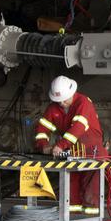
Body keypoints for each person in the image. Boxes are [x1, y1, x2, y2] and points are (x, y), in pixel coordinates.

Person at [34, 76, 103, 212]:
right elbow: (42, 129)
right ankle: (72, 213)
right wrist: (43, 146)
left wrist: (60, 145)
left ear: (72, 93)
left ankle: (91, 216)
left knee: (90, 184)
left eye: (64, 99)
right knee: (71, 182)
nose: (62, 103)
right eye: (58, 100)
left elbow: (78, 127)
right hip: (71, 151)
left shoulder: (83, 102)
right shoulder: (53, 108)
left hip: (91, 150)